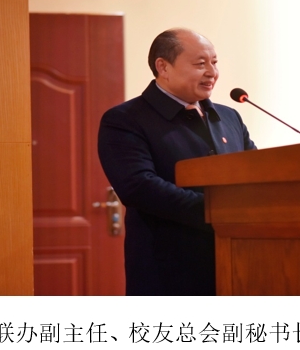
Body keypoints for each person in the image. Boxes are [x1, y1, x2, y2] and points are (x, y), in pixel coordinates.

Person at [97, 28, 256, 295]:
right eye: (200, 64)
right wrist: (219, 212)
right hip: (169, 269)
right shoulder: (125, 119)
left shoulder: (229, 117)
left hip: (239, 261)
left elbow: (255, 172)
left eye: (214, 62)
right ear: (163, 67)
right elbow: (139, 187)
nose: (212, 72)